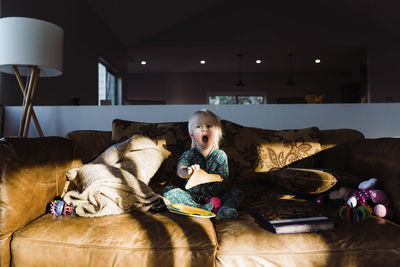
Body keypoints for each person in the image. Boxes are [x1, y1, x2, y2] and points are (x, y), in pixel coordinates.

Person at [163, 109, 243, 219]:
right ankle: (201, 208)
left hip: (217, 197)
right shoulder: (189, 155)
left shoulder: (220, 155)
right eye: (198, 126)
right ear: (192, 134)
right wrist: (188, 172)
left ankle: (224, 210)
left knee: (237, 193)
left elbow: (224, 178)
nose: (204, 129)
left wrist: (207, 177)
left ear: (216, 132)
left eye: (209, 126)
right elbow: (180, 171)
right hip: (192, 197)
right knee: (169, 191)